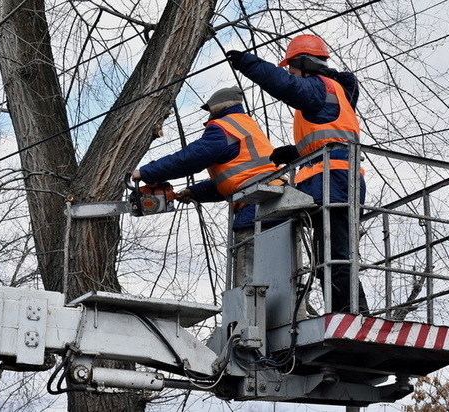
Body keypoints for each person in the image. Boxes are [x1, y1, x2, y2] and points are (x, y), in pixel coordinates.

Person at [225, 34, 369, 314]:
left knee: (336, 257)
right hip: (330, 181)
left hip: (335, 180)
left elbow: (286, 86)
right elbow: (328, 138)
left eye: (291, 66)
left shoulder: (320, 88)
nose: (290, 72)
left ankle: (353, 315)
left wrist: (248, 63)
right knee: (328, 259)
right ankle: (347, 312)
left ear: (304, 63)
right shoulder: (329, 93)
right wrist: (295, 152)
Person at [132, 86, 282, 287]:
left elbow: (190, 158)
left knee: (250, 285)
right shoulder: (247, 126)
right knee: (285, 278)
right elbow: (238, 177)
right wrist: (195, 191)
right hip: (280, 203)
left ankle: (253, 318)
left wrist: (145, 173)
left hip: (255, 208)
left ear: (217, 107)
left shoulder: (223, 127)